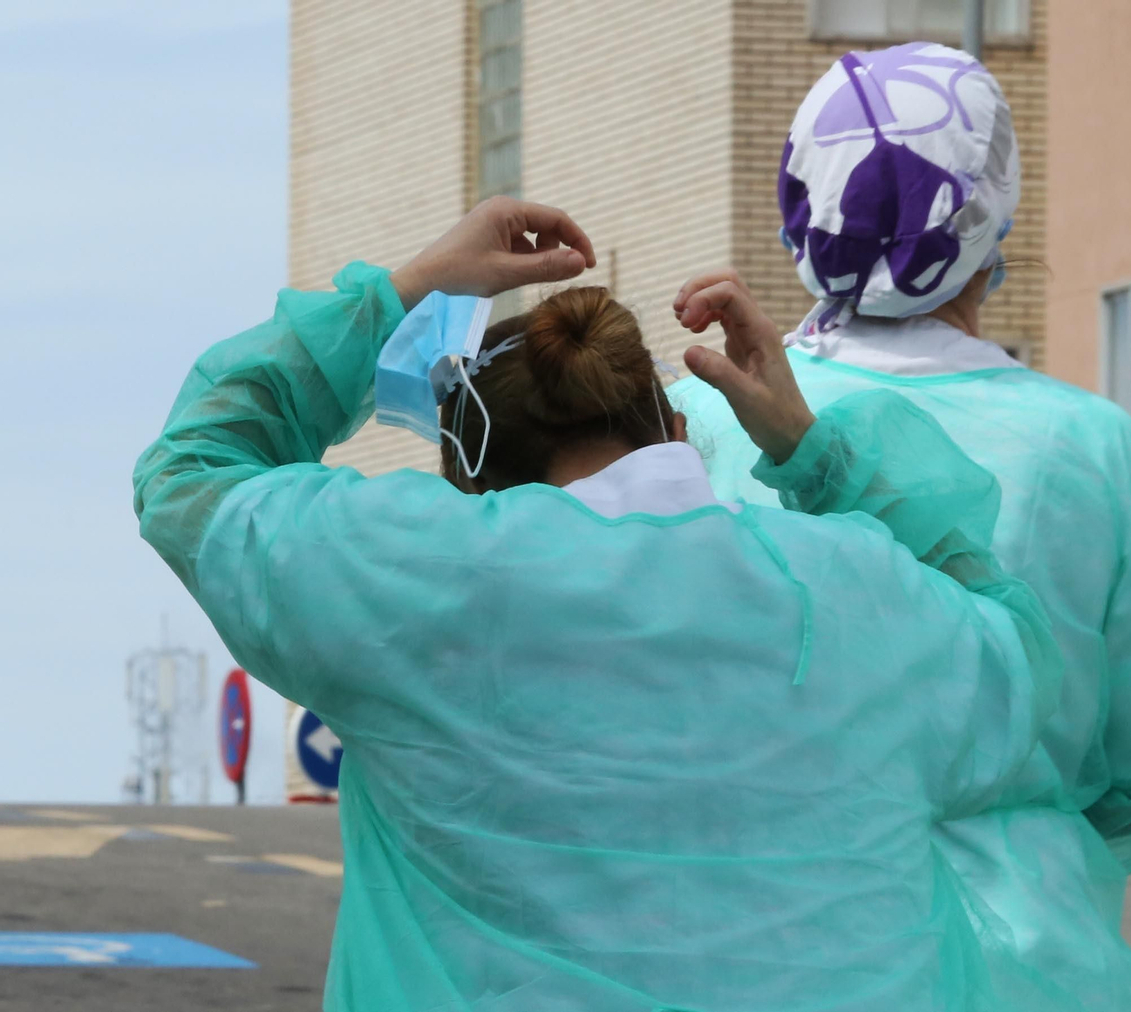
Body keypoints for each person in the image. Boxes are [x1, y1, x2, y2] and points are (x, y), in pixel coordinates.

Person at [134, 196, 1066, 1010]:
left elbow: (193, 471)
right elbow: (1023, 671)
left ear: (470, 476)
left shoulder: (418, 575)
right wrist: (812, 450)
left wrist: (408, 288)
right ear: (673, 425)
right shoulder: (861, 594)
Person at [669, 43, 1131, 1010]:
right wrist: (1033, 846)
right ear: (989, 210)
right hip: (1026, 962)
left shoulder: (691, 421)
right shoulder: (1092, 447)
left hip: (736, 949)